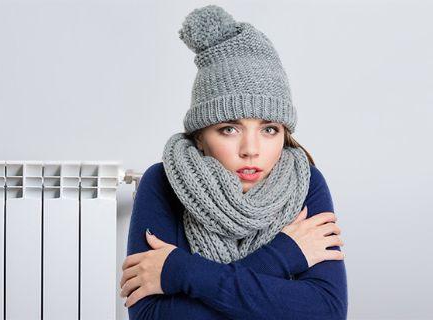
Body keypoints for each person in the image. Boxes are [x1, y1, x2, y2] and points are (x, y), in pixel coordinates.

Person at [120, 4, 348, 320]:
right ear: (200, 135)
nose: (251, 150)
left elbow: (326, 311)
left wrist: (180, 271)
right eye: (229, 128)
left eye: (269, 129)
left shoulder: (305, 182)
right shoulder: (163, 182)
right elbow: (153, 317)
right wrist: (284, 256)